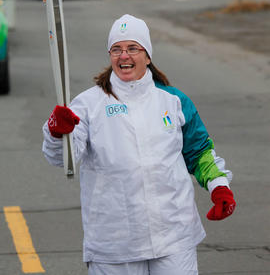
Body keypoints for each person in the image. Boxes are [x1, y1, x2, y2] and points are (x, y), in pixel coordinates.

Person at [42, 14, 236, 275]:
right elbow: (63, 156)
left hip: (173, 236)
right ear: (110, 55)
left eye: (133, 48)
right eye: (117, 49)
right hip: (115, 242)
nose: (124, 56)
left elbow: (199, 151)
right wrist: (56, 132)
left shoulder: (173, 101)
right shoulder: (88, 104)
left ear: (148, 55)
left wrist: (219, 187)